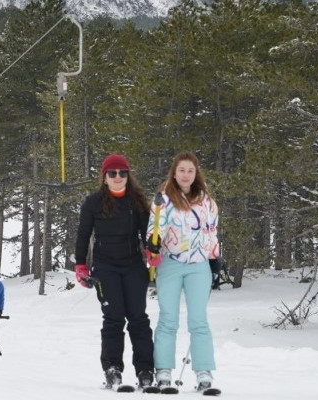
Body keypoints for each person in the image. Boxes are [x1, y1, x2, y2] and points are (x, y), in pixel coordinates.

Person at [74, 153, 154, 389]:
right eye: (113, 173)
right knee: (113, 317)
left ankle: (145, 370)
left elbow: (148, 234)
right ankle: (112, 369)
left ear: (128, 176)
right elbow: (83, 234)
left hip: (133, 266)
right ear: (104, 177)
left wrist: (152, 251)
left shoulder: (137, 201)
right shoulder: (92, 203)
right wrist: (80, 265)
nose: (118, 177)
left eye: (122, 173)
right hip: (105, 267)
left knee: (138, 318)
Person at [147, 151, 219, 392]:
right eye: (182, 170)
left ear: (196, 173)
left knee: (199, 320)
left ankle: (204, 373)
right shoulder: (163, 199)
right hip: (171, 263)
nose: (186, 175)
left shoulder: (206, 200)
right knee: (168, 319)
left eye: (190, 170)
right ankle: (164, 371)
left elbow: (211, 230)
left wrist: (215, 258)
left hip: (199, 265)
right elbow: (154, 228)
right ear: (174, 173)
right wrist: (153, 243)